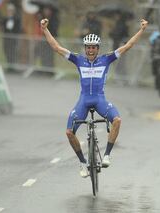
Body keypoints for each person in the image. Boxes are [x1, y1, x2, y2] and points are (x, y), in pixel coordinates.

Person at [40, 18, 148, 178]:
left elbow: (128, 46)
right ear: (85, 49)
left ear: (98, 48)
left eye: (93, 48)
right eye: (88, 48)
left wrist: (142, 30)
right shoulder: (78, 59)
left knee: (117, 120)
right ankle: (83, 163)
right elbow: (56, 47)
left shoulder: (106, 59)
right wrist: (44, 29)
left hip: (100, 100)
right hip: (83, 101)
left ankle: (107, 155)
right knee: (69, 132)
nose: (90, 50)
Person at [2, 3, 21, 71]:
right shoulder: (5, 19)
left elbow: (18, 29)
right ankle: (9, 66)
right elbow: (3, 28)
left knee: (13, 52)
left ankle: (13, 67)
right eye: (8, 10)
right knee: (7, 51)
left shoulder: (17, 19)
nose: (9, 12)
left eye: (11, 10)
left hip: (13, 39)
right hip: (6, 38)